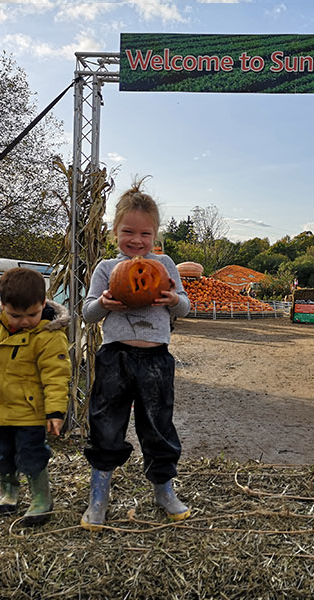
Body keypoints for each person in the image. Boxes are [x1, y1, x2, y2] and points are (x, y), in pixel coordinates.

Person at [81, 177, 191, 531]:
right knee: (106, 422)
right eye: (129, 232)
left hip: (156, 359)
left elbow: (185, 308)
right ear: (115, 231)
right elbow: (87, 312)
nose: (137, 241)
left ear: (155, 236)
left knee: (158, 424)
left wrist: (174, 300)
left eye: (145, 235)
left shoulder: (165, 265)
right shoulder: (105, 269)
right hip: (115, 357)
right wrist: (104, 303)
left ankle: (163, 489)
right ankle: (99, 495)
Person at [0, 268, 71, 525]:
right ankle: (9, 491)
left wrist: (55, 412)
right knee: (2, 453)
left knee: (30, 454)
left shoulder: (49, 336)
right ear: (3, 306)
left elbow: (56, 376)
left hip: (30, 411)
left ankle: (42, 498)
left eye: (32, 314)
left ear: (43, 304)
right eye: (16, 315)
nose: (25, 321)